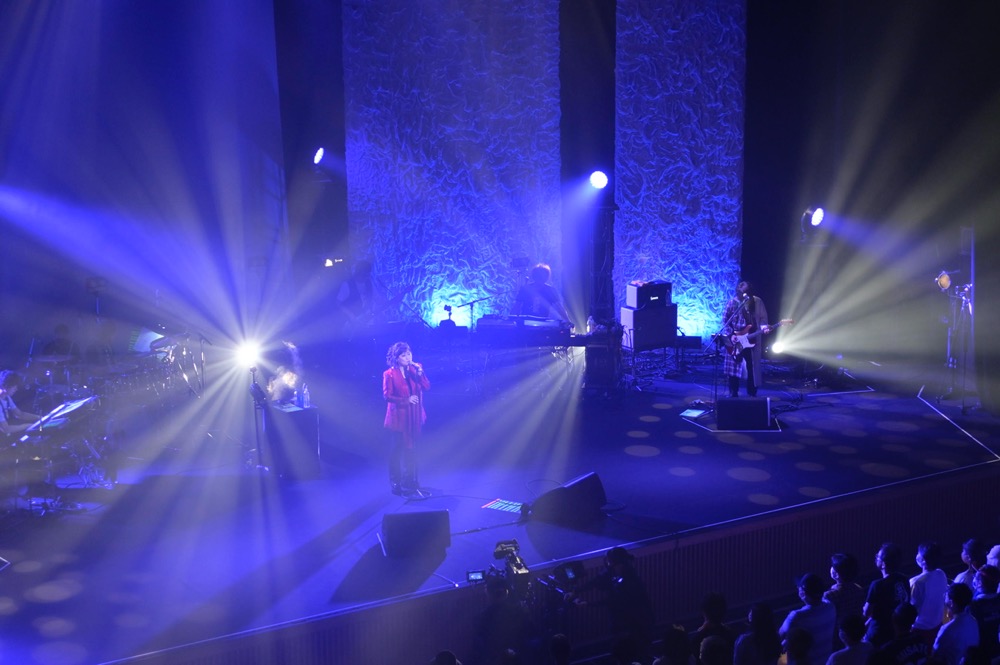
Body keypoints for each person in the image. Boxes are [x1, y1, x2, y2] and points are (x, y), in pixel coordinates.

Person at [382, 341, 430, 496]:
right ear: (397, 358)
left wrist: (420, 373)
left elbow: (426, 386)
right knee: (397, 450)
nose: (408, 357)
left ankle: (410, 478)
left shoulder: (415, 370)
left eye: (409, 354)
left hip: (414, 415)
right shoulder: (389, 374)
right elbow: (387, 396)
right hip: (398, 417)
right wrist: (406, 400)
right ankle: (395, 481)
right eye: (403, 355)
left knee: (412, 448)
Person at [722, 281, 771, 398]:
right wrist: (731, 335)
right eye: (742, 293)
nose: (745, 295)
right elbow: (725, 320)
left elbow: (763, 318)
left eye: (747, 293)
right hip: (736, 339)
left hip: (752, 338)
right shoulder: (732, 303)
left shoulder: (757, 302)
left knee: (752, 366)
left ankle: (752, 392)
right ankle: (733, 392)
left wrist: (764, 327)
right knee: (734, 365)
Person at [778, 572, 837, 665]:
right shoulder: (830, 607)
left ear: (803, 593)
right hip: (826, 661)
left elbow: (780, 635)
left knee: (784, 645)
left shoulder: (797, 616)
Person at [863, 542, 911, 647]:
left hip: (879, 633)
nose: (876, 558)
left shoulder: (877, 584)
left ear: (883, 564)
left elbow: (866, 612)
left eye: (878, 557)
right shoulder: (904, 579)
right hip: (896, 630)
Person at [823, 553, 866, 649]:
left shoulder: (829, 595)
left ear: (836, 574)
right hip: (856, 633)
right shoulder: (859, 589)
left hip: (837, 637)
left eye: (833, 567)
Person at [910, 541, 949, 648]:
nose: (916, 555)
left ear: (923, 560)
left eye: (918, 553)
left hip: (919, 630)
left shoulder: (916, 582)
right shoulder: (941, 573)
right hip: (937, 625)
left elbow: (912, 610)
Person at [932, 583, 979, 665]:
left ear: (951, 603)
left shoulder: (948, 629)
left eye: (946, 596)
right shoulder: (974, 622)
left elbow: (935, 654)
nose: (944, 597)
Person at [0, 370, 42, 437]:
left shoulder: (7, 397)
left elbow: (20, 414)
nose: (16, 389)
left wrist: (39, 417)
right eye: (14, 386)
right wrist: (27, 426)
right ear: (5, 386)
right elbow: (6, 429)